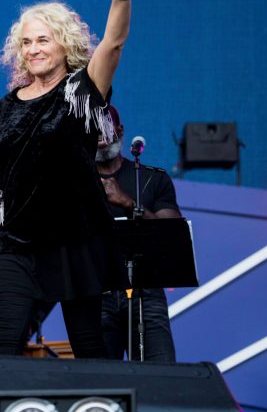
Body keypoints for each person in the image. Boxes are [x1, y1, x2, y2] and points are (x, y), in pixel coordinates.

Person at [0, 0, 144, 357]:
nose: (33, 49)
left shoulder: (81, 91)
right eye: (26, 42)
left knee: (88, 348)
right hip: (17, 245)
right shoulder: (6, 107)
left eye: (43, 39)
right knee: (4, 347)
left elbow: (114, 44)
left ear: (65, 44)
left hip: (74, 241)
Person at [97, 105, 178, 362]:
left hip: (146, 293)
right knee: (98, 384)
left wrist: (128, 203)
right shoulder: (73, 184)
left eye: (104, 125)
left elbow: (172, 237)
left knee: (160, 377)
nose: (97, 132)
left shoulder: (153, 179)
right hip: (96, 294)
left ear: (119, 131)